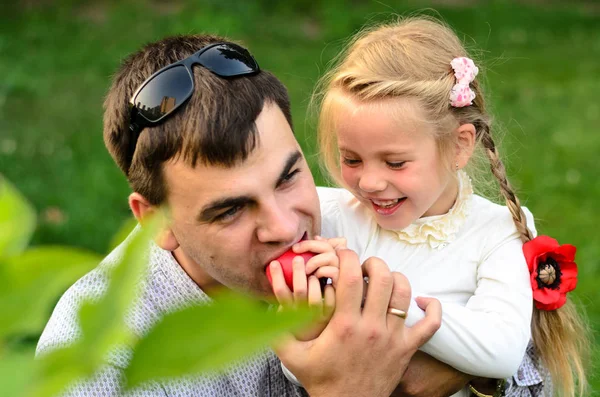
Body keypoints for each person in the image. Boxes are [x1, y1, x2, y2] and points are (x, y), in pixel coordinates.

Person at [35, 33, 446, 396]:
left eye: (288, 178)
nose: (286, 228)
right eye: (231, 209)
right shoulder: (99, 364)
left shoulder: (368, 219)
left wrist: (473, 377)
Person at [304, 16, 587, 397]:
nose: (369, 182)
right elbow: (297, 368)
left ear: (459, 145)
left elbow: (500, 352)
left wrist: (384, 298)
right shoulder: (331, 216)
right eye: (351, 160)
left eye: (395, 162)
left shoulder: (494, 231)